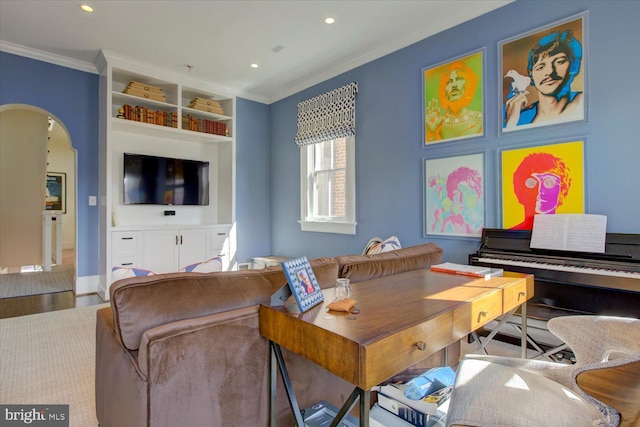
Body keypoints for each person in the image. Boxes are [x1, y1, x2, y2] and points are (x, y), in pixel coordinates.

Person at [504, 29, 583, 128]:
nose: (550, 72)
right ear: (531, 75)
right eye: (540, 67)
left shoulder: (584, 103)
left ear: (573, 66)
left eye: (559, 62)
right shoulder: (520, 117)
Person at [510, 152, 572, 230]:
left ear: (562, 188)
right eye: (531, 182)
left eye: (549, 182)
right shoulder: (507, 236)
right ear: (518, 189)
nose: (540, 190)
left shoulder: (570, 233)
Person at [426, 61, 482, 141]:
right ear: (444, 89)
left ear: (468, 83)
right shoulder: (437, 123)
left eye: (459, 79)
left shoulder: (480, 119)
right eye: (449, 82)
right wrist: (432, 132)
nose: (454, 86)